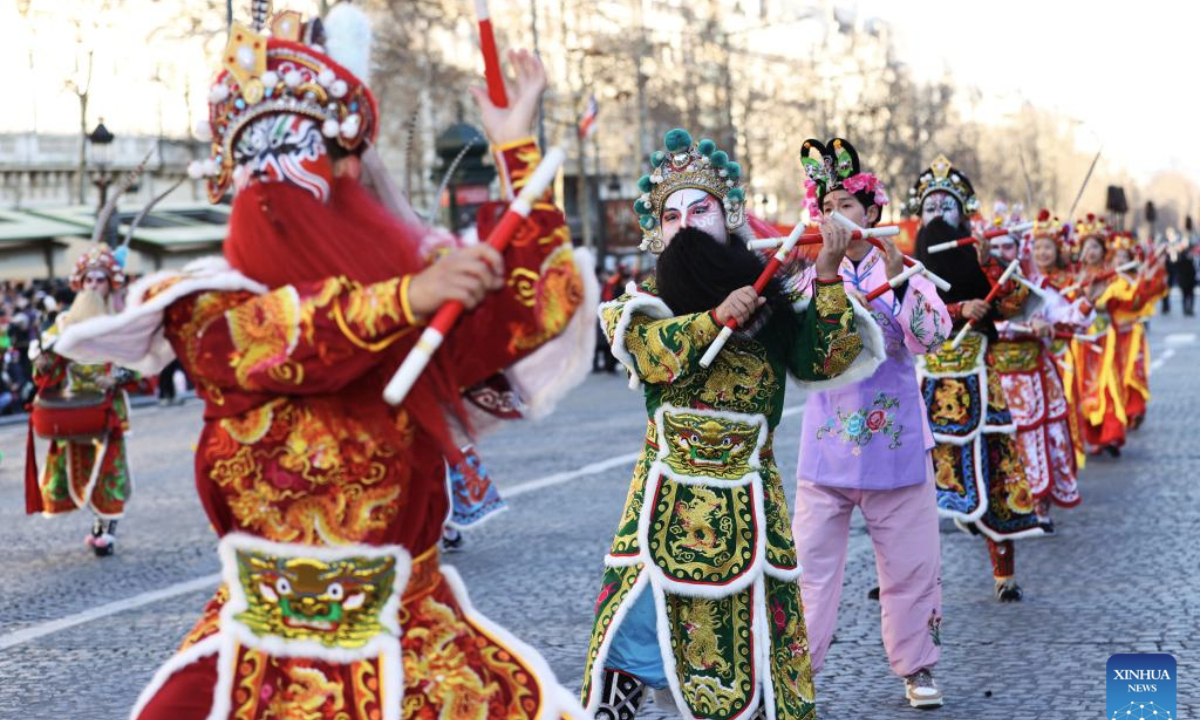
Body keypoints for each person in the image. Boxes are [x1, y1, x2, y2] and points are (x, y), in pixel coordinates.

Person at [56, 6, 589, 718]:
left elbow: (542, 302)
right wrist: (408, 296)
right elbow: (274, 342)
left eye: (346, 163)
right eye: (327, 161)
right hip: (256, 650)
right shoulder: (203, 308)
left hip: (415, 652)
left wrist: (515, 142)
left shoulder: (415, 297)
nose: (342, 176)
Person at [581, 128, 883, 720]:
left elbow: (824, 360)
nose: (686, 225)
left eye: (701, 209)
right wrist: (712, 319)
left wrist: (825, 275)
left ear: (729, 215)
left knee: (757, 639)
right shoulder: (641, 298)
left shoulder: (773, 296)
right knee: (636, 624)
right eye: (671, 215)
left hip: (751, 494)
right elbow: (648, 353)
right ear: (656, 230)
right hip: (666, 497)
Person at [788, 138, 951, 708]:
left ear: (872, 212)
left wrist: (901, 281)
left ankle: (918, 668)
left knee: (911, 566)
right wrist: (827, 273)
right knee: (807, 571)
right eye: (825, 204)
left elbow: (932, 335)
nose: (835, 215)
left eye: (848, 205)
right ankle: (795, 673)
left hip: (897, 444)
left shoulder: (905, 270)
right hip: (826, 449)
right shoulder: (806, 278)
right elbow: (797, 348)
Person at [909, 156, 1043, 603]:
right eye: (930, 207)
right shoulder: (905, 261)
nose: (938, 216)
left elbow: (1017, 302)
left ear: (963, 214)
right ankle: (905, 573)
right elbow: (897, 315)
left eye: (947, 207)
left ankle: (1004, 572)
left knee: (994, 471)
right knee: (911, 485)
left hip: (980, 379)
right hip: (925, 382)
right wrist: (955, 311)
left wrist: (990, 268)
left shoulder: (981, 255)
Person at [26, 246, 135, 556]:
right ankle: (90, 516)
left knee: (108, 470)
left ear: (110, 284)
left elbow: (141, 360)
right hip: (71, 407)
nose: (92, 286)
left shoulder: (122, 324)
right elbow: (46, 362)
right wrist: (43, 365)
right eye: (88, 280)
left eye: (99, 281)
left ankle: (105, 527)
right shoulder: (62, 324)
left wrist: (118, 377)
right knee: (68, 468)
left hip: (108, 409)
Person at [992, 209, 1089, 533]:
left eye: (1009, 246)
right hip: (996, 376)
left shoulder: (1037, 285)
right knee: (1001, 439)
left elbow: (1071, 318)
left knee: (1042, 437)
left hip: (1035, 375)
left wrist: (1084, 303)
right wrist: (1013, 326)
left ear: (1020, 248)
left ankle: (1038, 505)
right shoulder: (984, 284)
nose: (1002, 253)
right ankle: (1002, 504)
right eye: (997, 246)